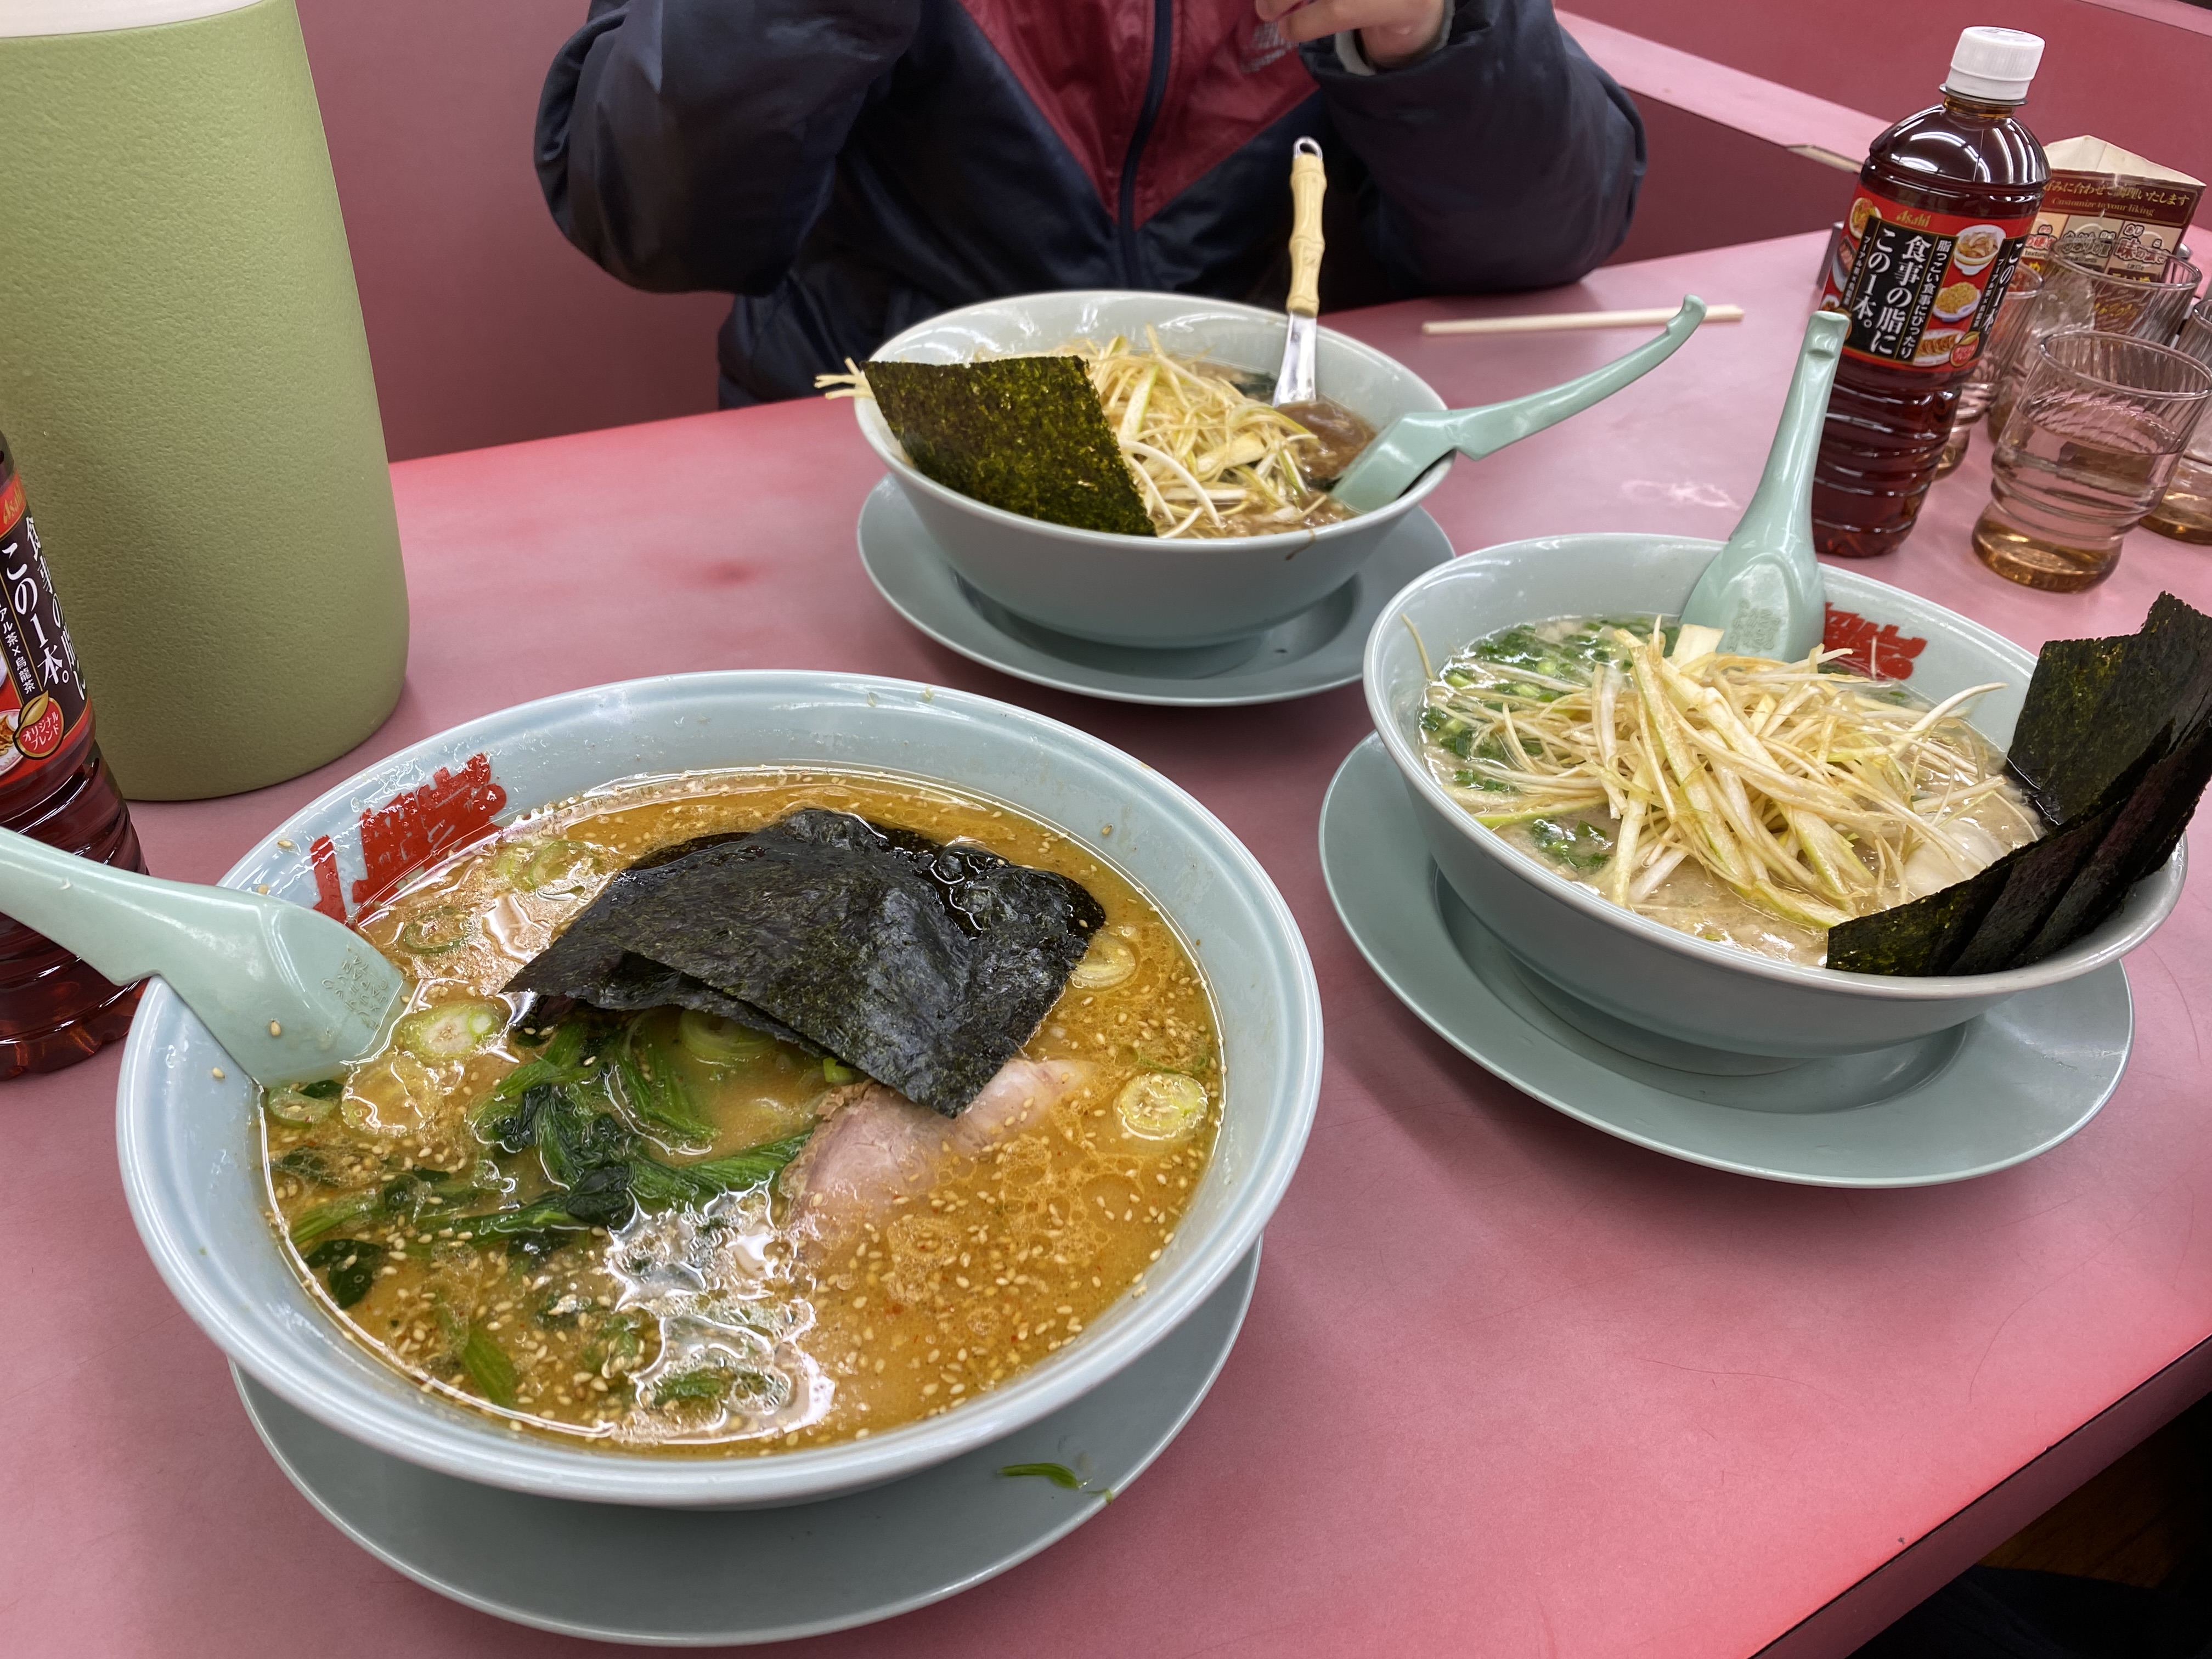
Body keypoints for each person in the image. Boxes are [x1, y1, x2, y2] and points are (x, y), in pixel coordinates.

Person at [535, 0, 1645, 407]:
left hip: (1252, 477)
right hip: (863, 443)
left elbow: (1549, 236)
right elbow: (647, 219)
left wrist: (1437, 31)